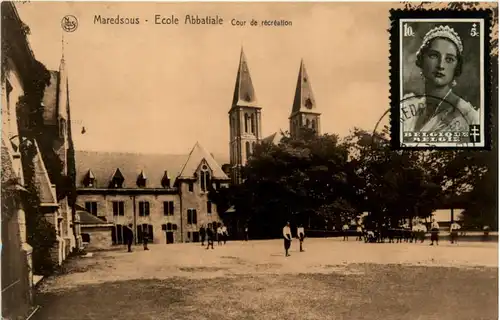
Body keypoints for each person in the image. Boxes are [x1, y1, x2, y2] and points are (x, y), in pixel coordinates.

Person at [402, 25, 479, 133]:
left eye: (449, 59)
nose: (441, 65)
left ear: (456, 67)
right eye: (434, 56)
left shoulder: (469, 116)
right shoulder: (408, 106)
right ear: (422, 60)